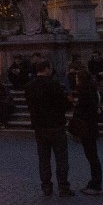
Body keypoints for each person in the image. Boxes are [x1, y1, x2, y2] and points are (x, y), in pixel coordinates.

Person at [26, 61, 74, 197]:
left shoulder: (29, 86)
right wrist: (69, 102)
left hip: (39, 127)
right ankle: (63, 186)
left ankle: (46, 186)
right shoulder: (53, 84)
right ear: (46, 69)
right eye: (50, 68)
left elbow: (30, 106)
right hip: (56, 125)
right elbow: (63, 104)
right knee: (61, 157)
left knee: (43, 158)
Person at [72, 71, 103, 195]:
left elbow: (85, 111)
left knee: (92, 157)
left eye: (76, 78)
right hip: (91, 127)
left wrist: (75, 105)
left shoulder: (86, 93)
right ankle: (94, 182)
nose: (75, 80)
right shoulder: (91, 91)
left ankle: (96, 184)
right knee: (92, 156)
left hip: (87, 128)